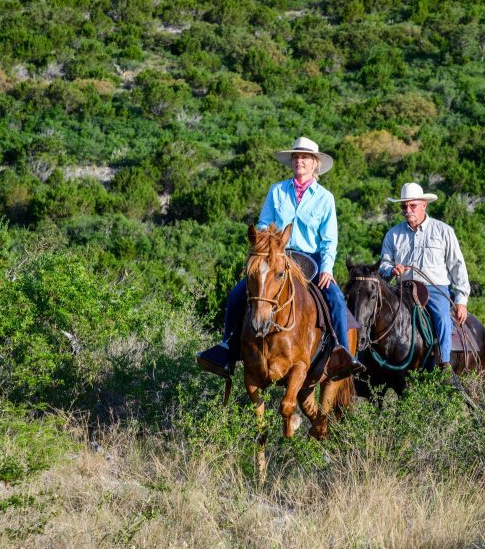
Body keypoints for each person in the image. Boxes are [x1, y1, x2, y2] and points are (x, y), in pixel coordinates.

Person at [197, 136, 363, 381]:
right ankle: (227, 348)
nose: (300, 161)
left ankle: (342, 353)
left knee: (336, 299)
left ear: (315, 164)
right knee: (237, 294)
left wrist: (327, 268)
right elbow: (264, 223)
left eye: (305, 158)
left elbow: (329, 239)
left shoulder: (325, 197)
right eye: (296, 157)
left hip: (311, 260)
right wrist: (268, 241)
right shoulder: (277, 190)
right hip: (278, 255)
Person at [378, 182, 470, 372]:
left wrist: (461, 300)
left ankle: (444, 363)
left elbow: (457, 266)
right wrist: (391, 270)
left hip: (435, 288)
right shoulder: (393, 234)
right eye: (404, 206)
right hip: (403, 288)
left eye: (412, 206)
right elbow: (383, 264)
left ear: (423, 205)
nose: (407, 210)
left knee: (443, 318)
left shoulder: (443, 231)